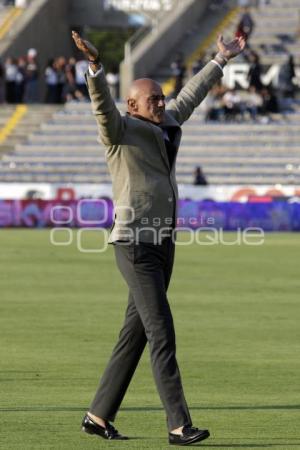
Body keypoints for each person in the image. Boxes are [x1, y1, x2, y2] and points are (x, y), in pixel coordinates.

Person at [72, 29, 245, 446]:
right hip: (134, 244)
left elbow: (191, 94)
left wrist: (220, 59)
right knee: (161, 331)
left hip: (162, 243)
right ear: (132, 104)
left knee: (135, 335)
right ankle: (178, 424)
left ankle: (98, 416)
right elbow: (100, 106)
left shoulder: (165, 121)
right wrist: (96, 68)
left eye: (162, 98)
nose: (162, 103)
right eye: (154, 100)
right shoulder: (119, 131)